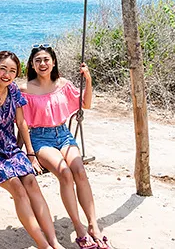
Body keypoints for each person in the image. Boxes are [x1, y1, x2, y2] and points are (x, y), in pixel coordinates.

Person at [0, 50, 63, 249]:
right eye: (3, 69)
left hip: (11, 150)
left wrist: (31, 154)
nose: (7, 74)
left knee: (31, 182)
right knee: (18, 188)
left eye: (12, 71)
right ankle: (44, 245)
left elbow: (22, 123)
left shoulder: (14, 90)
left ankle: (54, 242)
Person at [21, 44, 111, 249]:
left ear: (53, 62)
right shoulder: (25, 89)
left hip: (63, 135)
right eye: (38, 60)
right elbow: (22, 123)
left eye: (46, 59)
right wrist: (30, 153)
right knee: (65, 173)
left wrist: (88, 79)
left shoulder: (63, 84)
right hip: (40, 138)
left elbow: (85, 104)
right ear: (32, 65)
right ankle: (78, 227)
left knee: (79, 171)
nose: (42, 63)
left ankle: (93, 225)